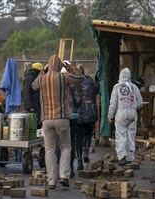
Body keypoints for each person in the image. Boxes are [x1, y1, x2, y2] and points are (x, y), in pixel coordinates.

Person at [32, 55, 84, 189]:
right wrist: (69, 66)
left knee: (50, 150)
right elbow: (80, 77)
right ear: (60, 66)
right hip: (62, 119)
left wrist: (43, 70)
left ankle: (51, 181)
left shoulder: (42, 79)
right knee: (65, 147)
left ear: (49, 65)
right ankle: (64, 176)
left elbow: (34, 86)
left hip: (47, 120)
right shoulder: (63, 77)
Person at [108, 68, 143, 165]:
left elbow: (113, 103)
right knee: (131, 135)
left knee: (120, 135)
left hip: (121, 113)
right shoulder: (134, 87)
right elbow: (140, 102)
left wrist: (110, 115)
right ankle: (130, 157)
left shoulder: (117, 87)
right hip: (132, 113)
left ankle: (121, 156)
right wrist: (133, 107)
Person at [76, 64, 99, 166]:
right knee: (88, 134)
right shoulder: (91, 81)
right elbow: (97, 92)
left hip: (79, 113)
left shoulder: (74, 82)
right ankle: (86, 150)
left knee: (79, 136)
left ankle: (79, 158)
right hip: (91, 111)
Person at [22, 62, 44, 128]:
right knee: (34, 123)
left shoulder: (34, 77)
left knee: (37, 121)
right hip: (32, 105)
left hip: (35, 103)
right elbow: (26, 92)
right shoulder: (30, 78)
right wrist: (30, 106)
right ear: (38, 70)